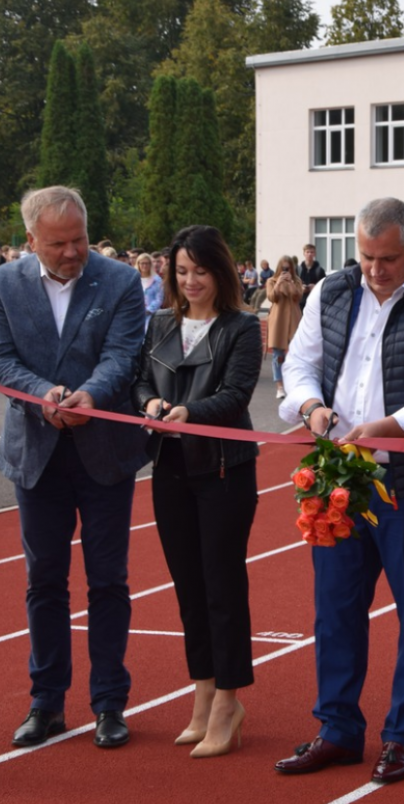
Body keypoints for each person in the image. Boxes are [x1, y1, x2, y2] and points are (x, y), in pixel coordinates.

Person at [275, 197, 404, 785]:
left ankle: (402, 735)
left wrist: (388, 428)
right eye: (366, 257)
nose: (375, 270)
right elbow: (298, 365)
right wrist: (311, 405)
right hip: (339, 471)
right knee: (335, 607)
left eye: (388, 258)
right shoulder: (332, 292)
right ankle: (337, 728)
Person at [0, 186, 149, 750]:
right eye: (58, 244)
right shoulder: (2, 284)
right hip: (36, 452)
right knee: (44, 581)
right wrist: (44, 395)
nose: (73, 251)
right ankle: (46, 702)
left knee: (109, 580)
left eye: (78, 238)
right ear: (30, 240)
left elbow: (123, 356)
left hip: (104, 451)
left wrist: (91, 397)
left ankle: (108, 703)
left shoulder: (120, 280)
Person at [133, 226, 262, 759]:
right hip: (170, 468)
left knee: (221, 586)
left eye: (200, 271)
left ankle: (228, 701)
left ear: (221, 272)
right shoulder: (161, 322)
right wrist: (150, 406)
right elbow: (141, 380)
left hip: (224, 471)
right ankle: (203, 691)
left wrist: (189, 413)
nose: (190, 281)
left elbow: (234, 395)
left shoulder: (242, 328)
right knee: (187, 588)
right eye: (181, 271)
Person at [265, 255, 302, 401]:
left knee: (296, 354)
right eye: (283, 268)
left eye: (288, 268)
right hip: (278, 320)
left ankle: (293, 385)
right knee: (277, 356)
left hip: (294, 319)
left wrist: (291, 283)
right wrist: (278, 283)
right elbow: (271, 297)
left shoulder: (297, 281)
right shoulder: (271, 281)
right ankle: (279, 387)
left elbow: (298, 297)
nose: (285, 270)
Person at [136, 252, 163, 327]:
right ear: (138, 264)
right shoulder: (134, 279)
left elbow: (159, 299)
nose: (144, 266)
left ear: (150, 264)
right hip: (136, 315)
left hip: (152, 316)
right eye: (142, 263)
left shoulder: (157, 280)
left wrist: (148, 310)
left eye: (147, 263)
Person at [297, 243, 326, 307]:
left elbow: (325, 286)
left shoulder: (320, 270)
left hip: (315, 302)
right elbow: (293, 285)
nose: (309, 254)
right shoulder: (298, 270)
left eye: (312, 252)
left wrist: (315, 287)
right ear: (304, 253)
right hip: (300, 303)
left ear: (315, 254)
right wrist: (301, 288)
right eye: (307, 252)